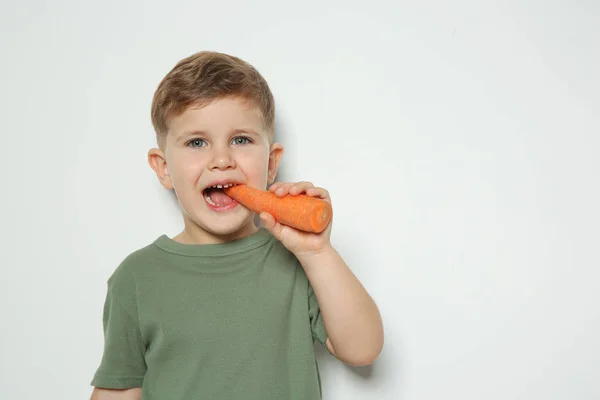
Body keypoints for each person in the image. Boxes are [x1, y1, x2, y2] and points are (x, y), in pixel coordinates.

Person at [89, 51, 383, 400]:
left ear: (271, 164)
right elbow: (119, 392)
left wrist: (317, 252)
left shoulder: (296, 260)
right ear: (163, 167)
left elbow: (363, 349)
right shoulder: (136, 278)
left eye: (240, 140)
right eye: (197, 142)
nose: (222, 159)